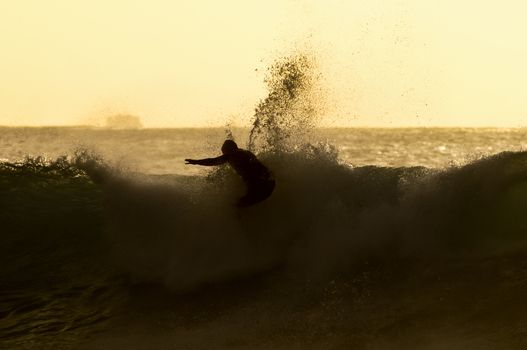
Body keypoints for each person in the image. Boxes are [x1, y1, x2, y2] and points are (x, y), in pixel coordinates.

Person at [185, 140, 275, 206]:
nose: (224, 155)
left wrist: (196, 162)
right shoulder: (246, 152)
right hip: (270, 183)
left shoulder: (232, 155)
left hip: (262, 188)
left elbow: (213, 161)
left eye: (224, 152)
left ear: (229, 150)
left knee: (235, 206)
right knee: (240, 202)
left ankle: (240, 228)